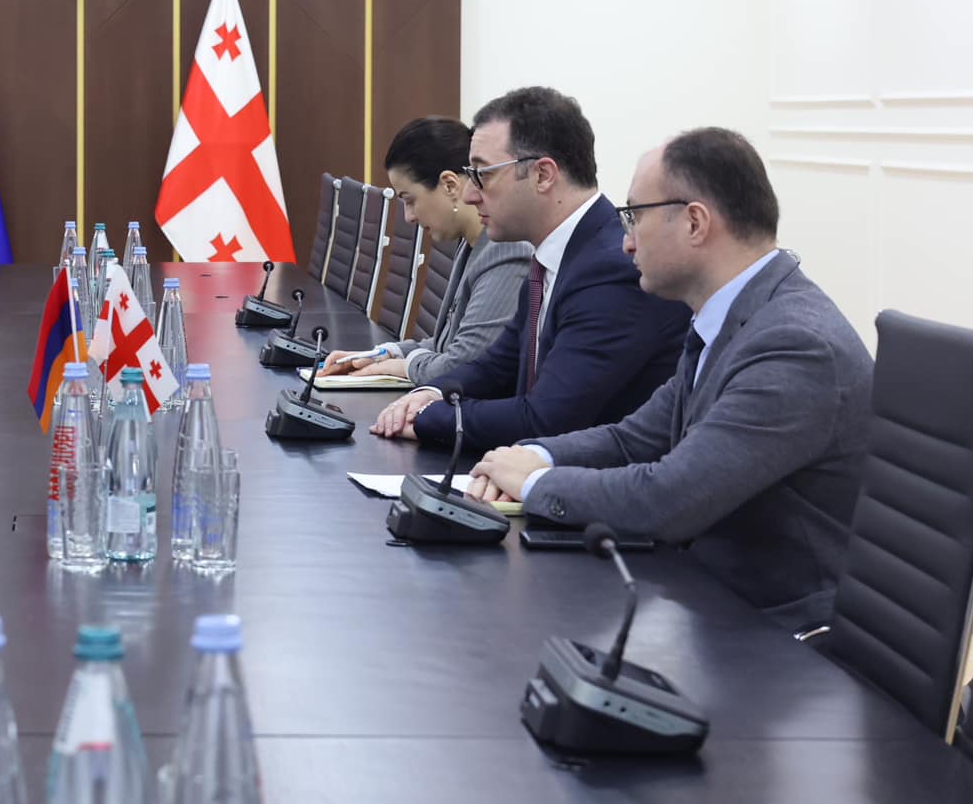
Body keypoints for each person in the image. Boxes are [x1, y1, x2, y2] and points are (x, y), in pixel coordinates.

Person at [467, 128, 874, 627]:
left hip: (777, 629)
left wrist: (535, 484)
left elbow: (670, 499)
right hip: (708, 599)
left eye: (634, 217)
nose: (626, 242)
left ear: (695, 223)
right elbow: (635, 439)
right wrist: (534, 455)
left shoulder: (794, 346)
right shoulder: (734, 316)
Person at [371, 87, 688, 449]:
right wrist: (429, 393)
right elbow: (496, 366)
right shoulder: (553, 255)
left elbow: (546, 418)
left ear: (542, 175)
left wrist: (426, 418)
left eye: (483, 175)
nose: (470, 195)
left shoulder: (610, 270)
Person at [316, 116, 531, 385]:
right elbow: (447, 342)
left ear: (450, 185)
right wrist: (382, 355)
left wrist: (403, 367)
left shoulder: (506, 250)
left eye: (410, 200)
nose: (408, 217)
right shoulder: (471, 242)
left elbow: (463, 365)